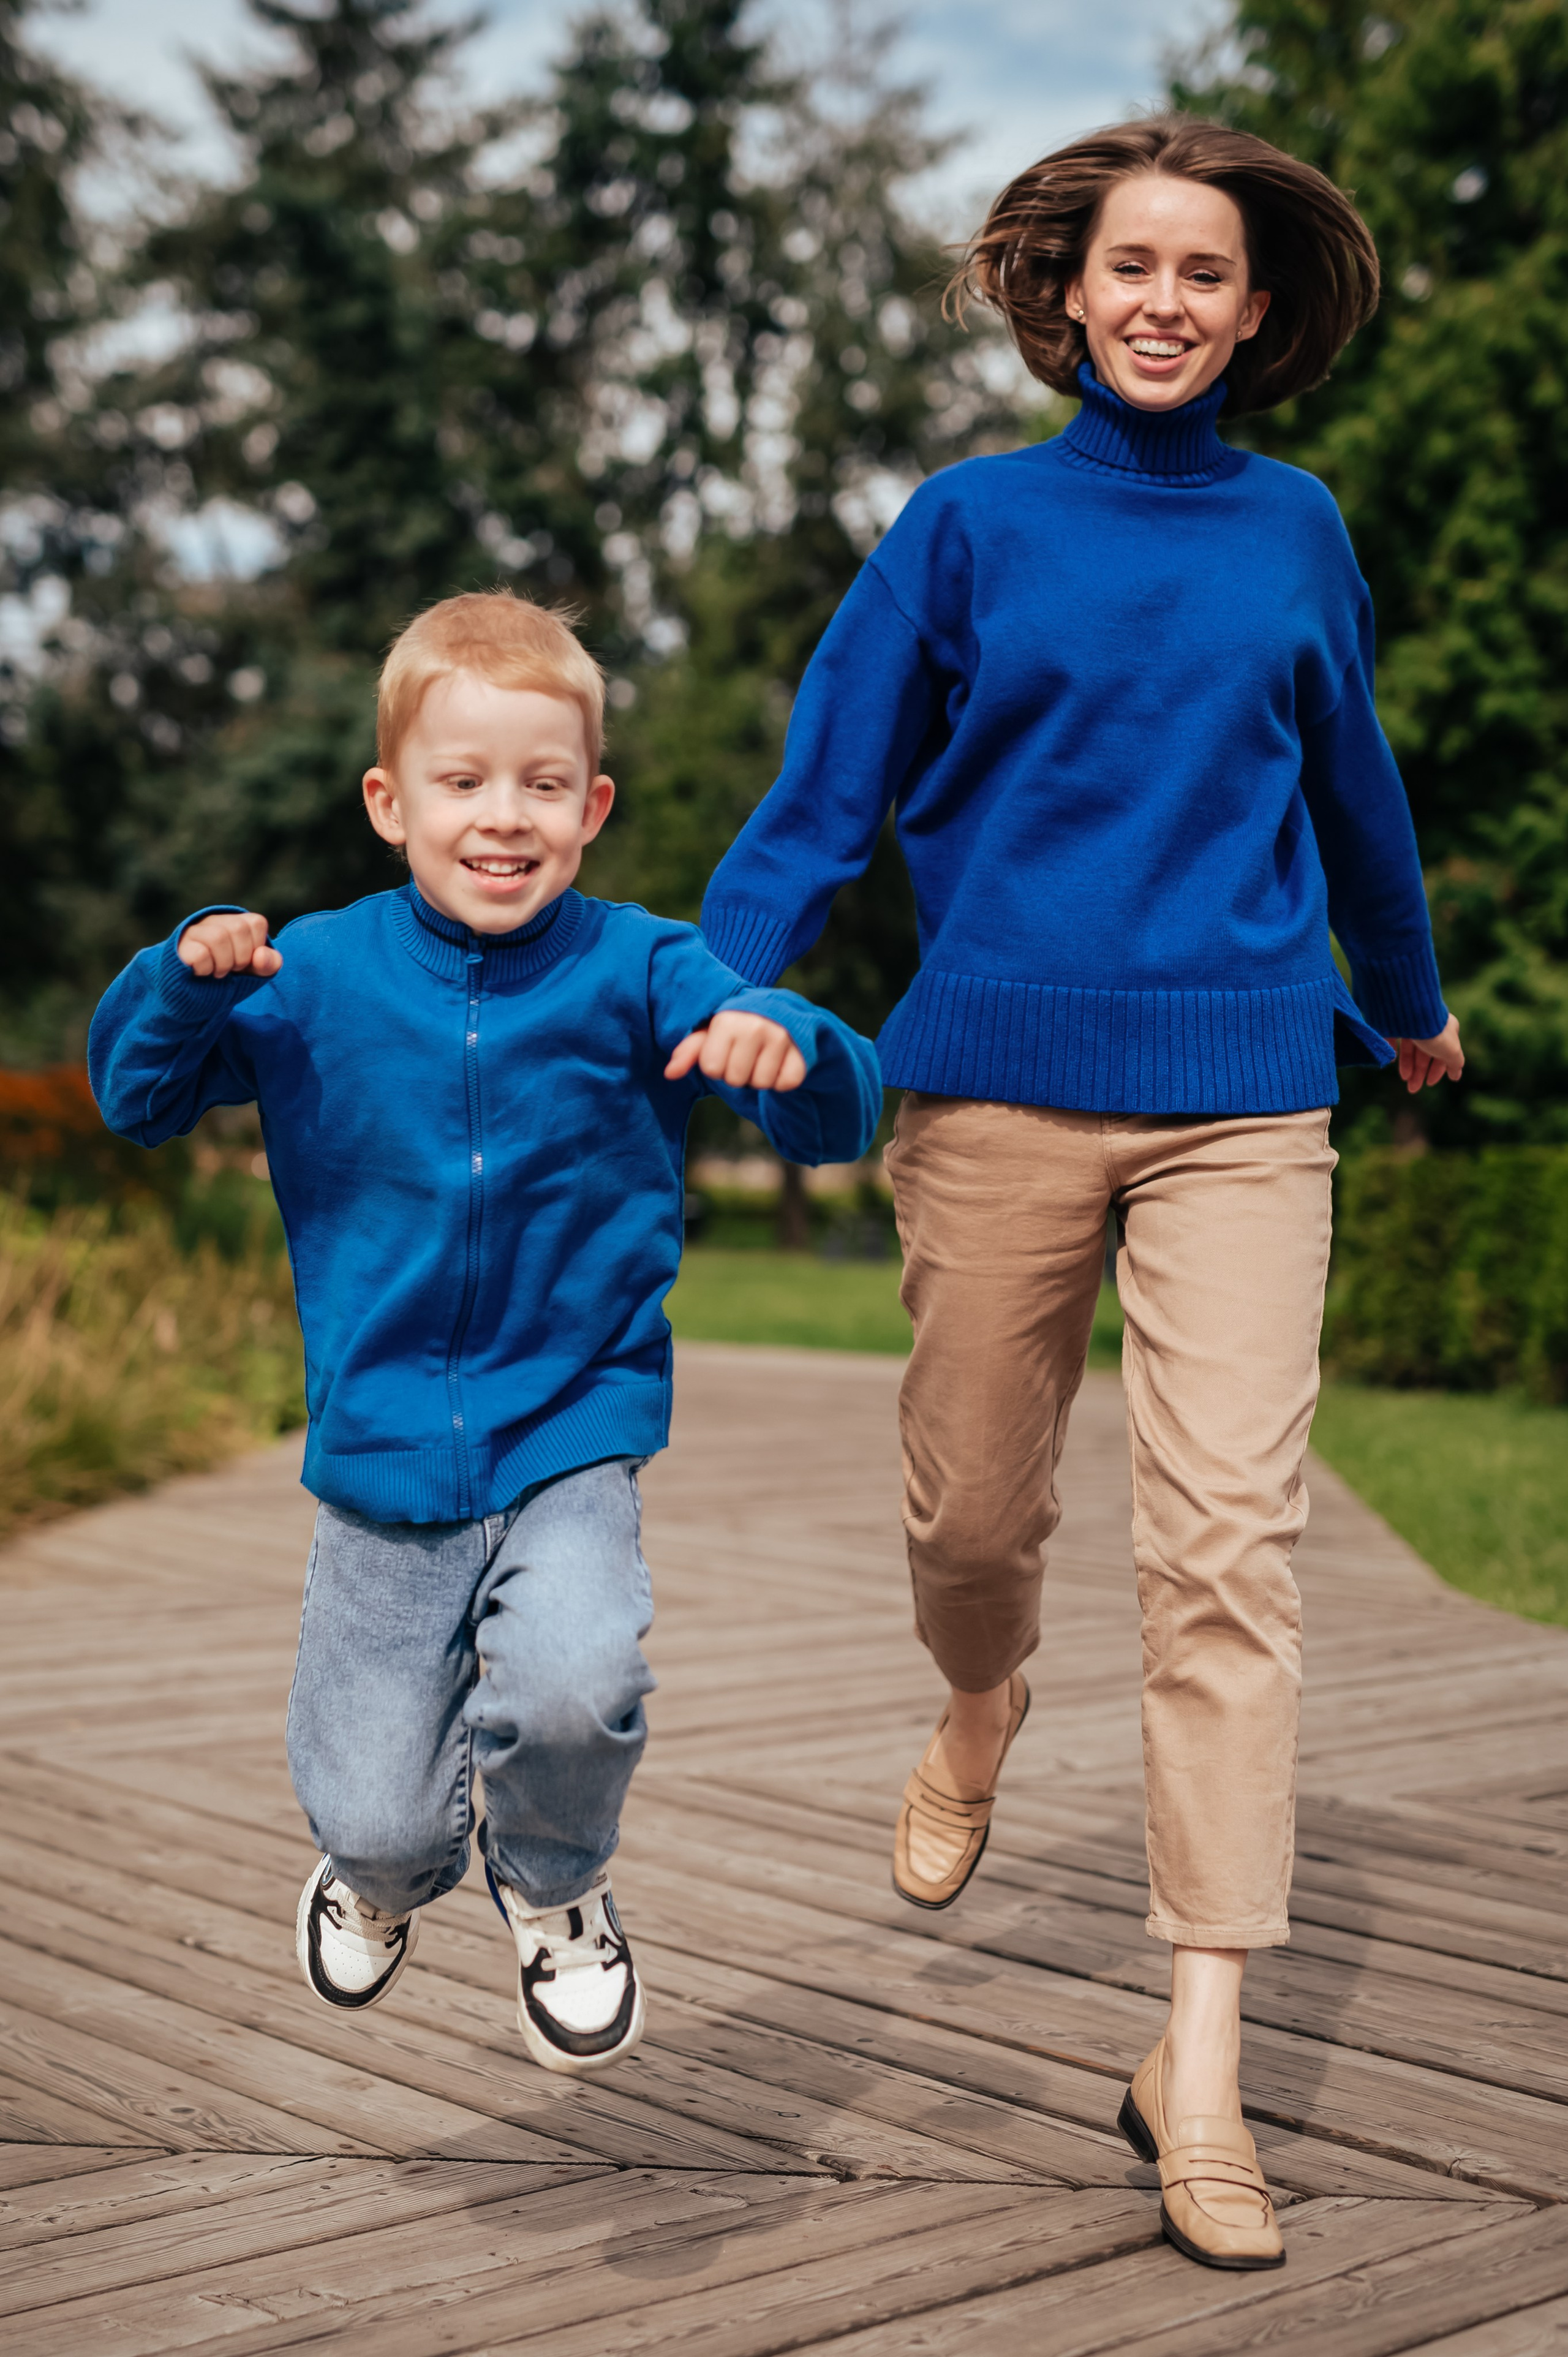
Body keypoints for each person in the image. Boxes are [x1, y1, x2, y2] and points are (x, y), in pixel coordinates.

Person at [700, 116, 1462, 2267]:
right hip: (996, 1084)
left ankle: (1196, 2058)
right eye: (1133, 265)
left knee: (1228, 1559)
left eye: (1206, 273)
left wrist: (1408, 1003)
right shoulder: (967, 524)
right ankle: (981, 1701)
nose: (1165, 302)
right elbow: (827, 789)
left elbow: (1358, 792)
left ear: (1255, 308)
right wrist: (713, 980)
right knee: (971, 1519)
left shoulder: (1298, 527)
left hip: (1245, 1090)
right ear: (1067, 289)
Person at [90, 590, 881, 2078]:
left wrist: (789, 1045)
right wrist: (179, 974)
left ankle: (558, 1886)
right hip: (383, 1450)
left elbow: (832, 1113)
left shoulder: (640, 968)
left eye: (540, 784)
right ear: (390, 803)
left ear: (592, 807)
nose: (501, 816)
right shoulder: (314, 974)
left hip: (570, 1425)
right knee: (377, 1816)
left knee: (579, 1685)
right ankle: (380, 1880)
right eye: (461, 781)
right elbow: (138, 1097)